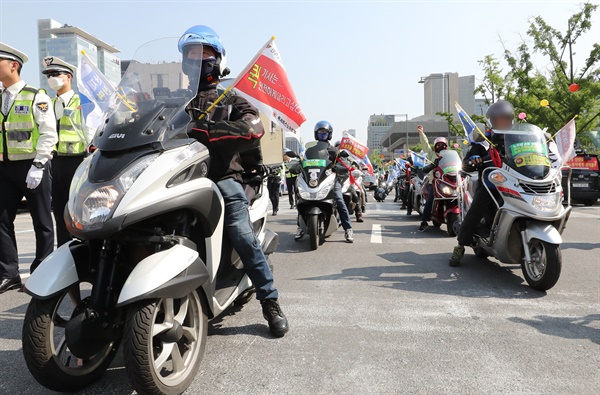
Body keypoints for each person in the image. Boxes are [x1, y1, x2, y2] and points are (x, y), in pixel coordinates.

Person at [180, 25, 288, 337]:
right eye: (190, 53)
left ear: (217, 58)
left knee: (242, 234)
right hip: (176, 177)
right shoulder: (172, 100)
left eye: (204, 53)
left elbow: (253, 129)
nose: (197, 59)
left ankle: (270, 300)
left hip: (222, 177)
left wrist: (209, 132)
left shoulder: (231, 98)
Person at [0, 42, 57, 293]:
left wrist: (38, 164)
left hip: (32, 166)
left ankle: (42, 271)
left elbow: (48, 133)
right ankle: (9, 273)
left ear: (14, 65)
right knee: (1, 220)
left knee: (42, 221)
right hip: (4, 168)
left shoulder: (37, 96)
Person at [448, 100, 514, 267]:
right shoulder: (483, 141)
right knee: (476, 211)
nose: (503, 122)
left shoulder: (517, 140)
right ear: (491, 121)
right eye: (499, 119)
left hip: (514, 184)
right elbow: (465, 163)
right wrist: (473, 159)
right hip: (491, 185)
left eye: (506, 119)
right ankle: (460, 245)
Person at [42, 56, 93, 247]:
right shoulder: (47, 102)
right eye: (49, 75)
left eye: (55, 74)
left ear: (68, 77)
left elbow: (91, 129)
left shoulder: (82, 101)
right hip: (55, 162)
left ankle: (85, 245)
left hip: (77, 160)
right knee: (59, 209)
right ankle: (64, 246)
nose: (51, 78)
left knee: (79, 208)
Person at [295, 121, 354, 242]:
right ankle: (300, 227)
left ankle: (348, 229)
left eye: (325, 132)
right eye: (320, 132)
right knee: (302, 199)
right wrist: (298, 165)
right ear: (316, 134)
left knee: (339, 200)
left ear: (329, 134)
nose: (323, 135)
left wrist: (340, 167)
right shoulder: (310, 151)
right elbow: (304, 162)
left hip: (330, 179)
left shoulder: (334, 151)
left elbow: (342, 163)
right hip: (314, 179)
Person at [417, 125, 448, 231]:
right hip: (434, 183)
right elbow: (425, 145)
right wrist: (421, 133)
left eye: (443, 145)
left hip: (448, 182)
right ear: (435, 146)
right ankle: (424, 221)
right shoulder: (431, 154)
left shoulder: (449, 155)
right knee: (430, 200)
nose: (441, 147)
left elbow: (457, 164)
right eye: (438, 145)